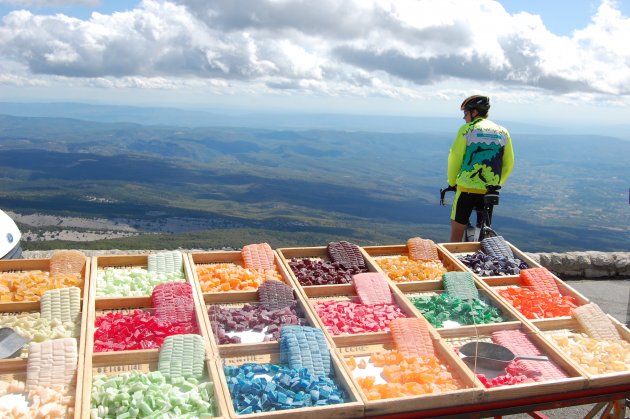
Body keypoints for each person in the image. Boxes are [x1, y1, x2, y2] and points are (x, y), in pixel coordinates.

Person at [446, 95, 514, 242]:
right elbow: (509, 163)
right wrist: (497, 184)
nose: (464, 118)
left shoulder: (467, 130)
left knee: (456, 232)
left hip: (466, 189)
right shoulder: (503, 132)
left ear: (474, 112)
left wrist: (452, 182)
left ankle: (454, 260)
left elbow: (455, 157)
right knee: (484, 234)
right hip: (490, 191)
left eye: (465, 113)